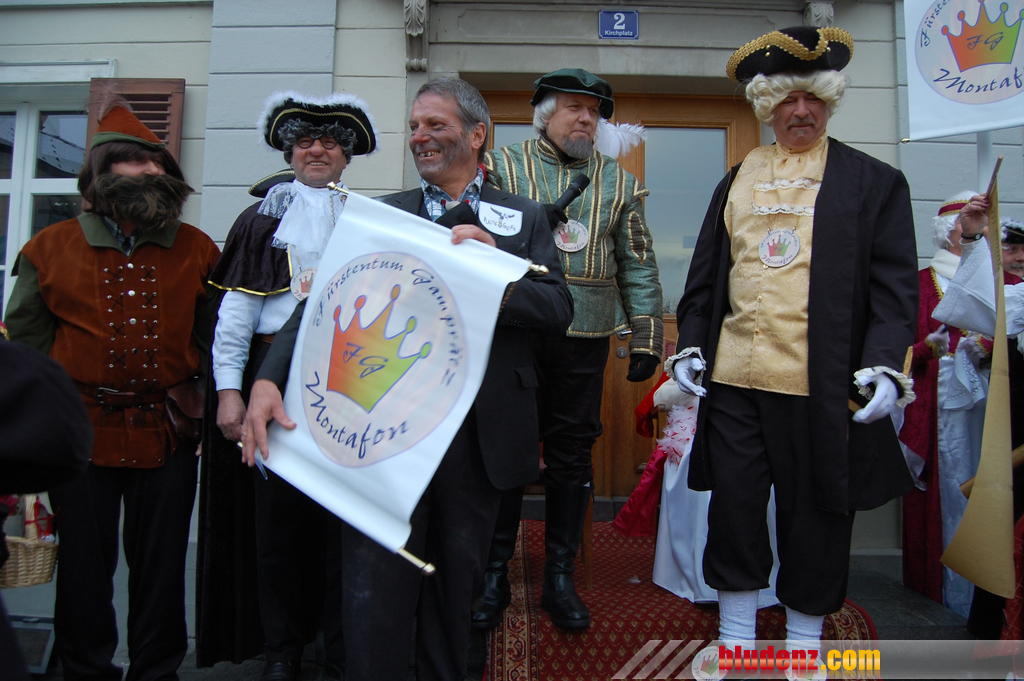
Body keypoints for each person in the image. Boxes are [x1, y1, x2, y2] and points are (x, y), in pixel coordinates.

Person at [241, 78, 572, 681]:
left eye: (436, 125)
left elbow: (557, 309)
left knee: (456, 594)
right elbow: (319, 305)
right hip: (382, 430)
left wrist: (494, 271)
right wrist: (268, 379)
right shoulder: (380, 215)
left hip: (477, 439)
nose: (420, 136)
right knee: (374, 593)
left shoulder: (522, 217)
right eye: (416, 126)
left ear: (477, 134)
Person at [670, 26, 918, 654]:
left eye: (813, 98)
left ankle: (804, 648)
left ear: (829, 101)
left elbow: (894, 291)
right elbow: (705, 279)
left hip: (821, 384)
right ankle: (736, 642)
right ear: (767, 105)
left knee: (817, 515)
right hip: (735, 382)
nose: (801, 111)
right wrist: (690, 346)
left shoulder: (874, 182)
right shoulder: (735, 180)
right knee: (734, 507)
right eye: (787, 99)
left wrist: (884, 365)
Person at [4, 101, 220, 681]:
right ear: (102, 172)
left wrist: (212, 411)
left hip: (168, 429)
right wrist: (33, 436)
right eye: (134, 162)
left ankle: (157, 671)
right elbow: (26, 350)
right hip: (80, 431)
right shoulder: (49, 248)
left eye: (158, 163)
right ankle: (85, 671)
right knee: (83, 568)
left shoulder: (198, 248)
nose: (151, 171)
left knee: (161, 567)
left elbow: (216, 343)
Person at [194, 92, 378, 680]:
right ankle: (281, 651)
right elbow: (235, 319)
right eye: (304, 141)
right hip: (270, 382)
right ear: (289, 152)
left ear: (345, 155)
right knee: (278, 525)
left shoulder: (369, 219)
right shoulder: (259, 221)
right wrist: (230, 391)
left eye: (329, 143)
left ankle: (339, 650)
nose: (316, 150)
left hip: (347, 382)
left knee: (341, 524)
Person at [475, 68, 664, 630]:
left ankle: (560, 575)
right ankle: (492, 573)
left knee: (572, 454)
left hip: (585, 339)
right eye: (573, 108)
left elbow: (638, 263)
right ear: (544, 115)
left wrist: (647, 334)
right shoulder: (501, 167)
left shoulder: (620, 183)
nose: (586, 119)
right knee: (508, 448)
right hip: (516, 331)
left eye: (594, 111)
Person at [901, 192, 992, 617]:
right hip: (935, 409)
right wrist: (929, 349)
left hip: (992, 405)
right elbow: (897, 352)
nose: (975, 229)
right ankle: (941, 596)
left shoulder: (1001, 283)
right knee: (946, 496)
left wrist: (988, 347)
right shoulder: (920, 284)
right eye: (966, 222)